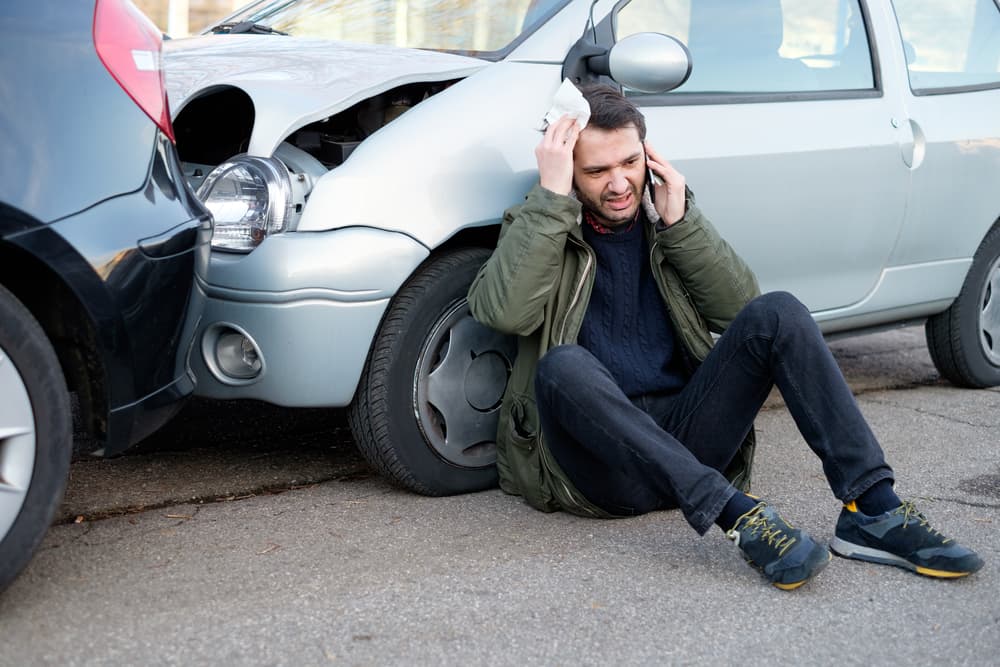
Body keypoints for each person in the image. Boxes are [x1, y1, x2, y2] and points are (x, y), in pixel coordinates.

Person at [467, 83, 983, 589]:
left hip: (688, 438)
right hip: (602, 467)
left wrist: (681, 224)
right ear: (568, 173)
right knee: (563, 365)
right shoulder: (541, 223)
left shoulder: (665, 221)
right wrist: (552, 200)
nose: (620, 183)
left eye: (629, 162)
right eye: (597, 171)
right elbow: (503, 313)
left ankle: (874, 510)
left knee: (777, 312)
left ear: (649, 156)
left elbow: (741, 312)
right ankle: (735, 514)